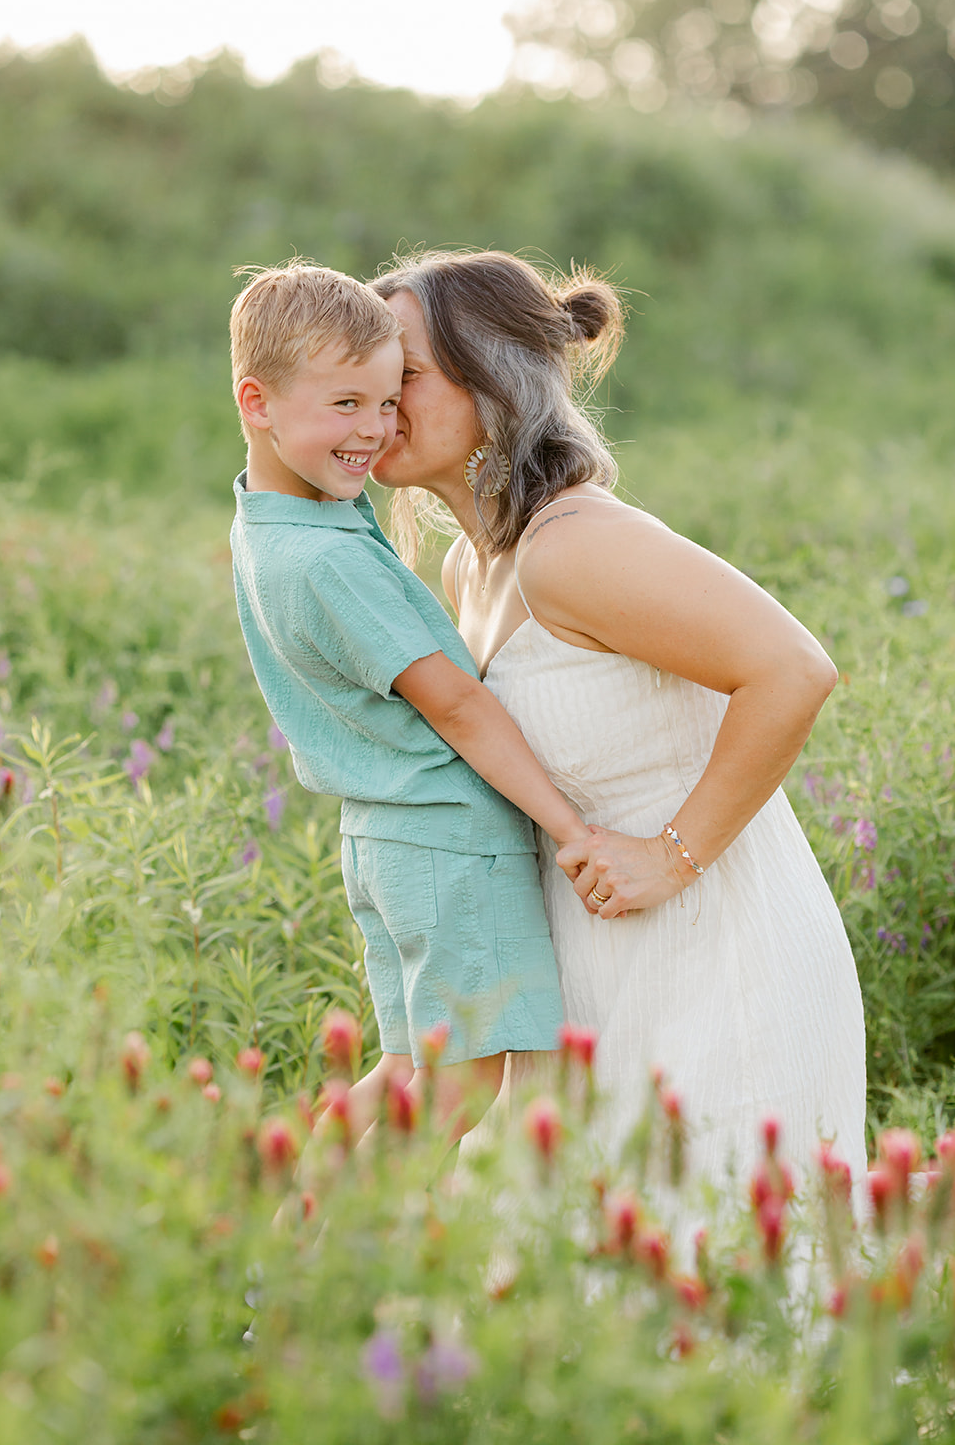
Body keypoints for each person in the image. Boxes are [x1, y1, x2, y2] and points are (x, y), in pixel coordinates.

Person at [369, 248, 867, 1190]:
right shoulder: (470, 569)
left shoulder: (574, 546)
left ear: (494, 388)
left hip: (718, 952)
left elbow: (792, 668)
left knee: (711, 1270)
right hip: (586, 959)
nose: (377, 402)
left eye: (405, 377)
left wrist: (669, 854)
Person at [228, 261, 593, 1148]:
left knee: (403, 1071)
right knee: (457, 1091)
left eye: (390, 401)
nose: (374, 432)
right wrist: (572, 830)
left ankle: (288, 1242)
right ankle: (343, 1256)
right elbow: (459, 708)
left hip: (386, 838)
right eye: (345, 405)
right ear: (257, 402)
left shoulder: (275, 517)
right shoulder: (328, 560)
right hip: (447, 842)